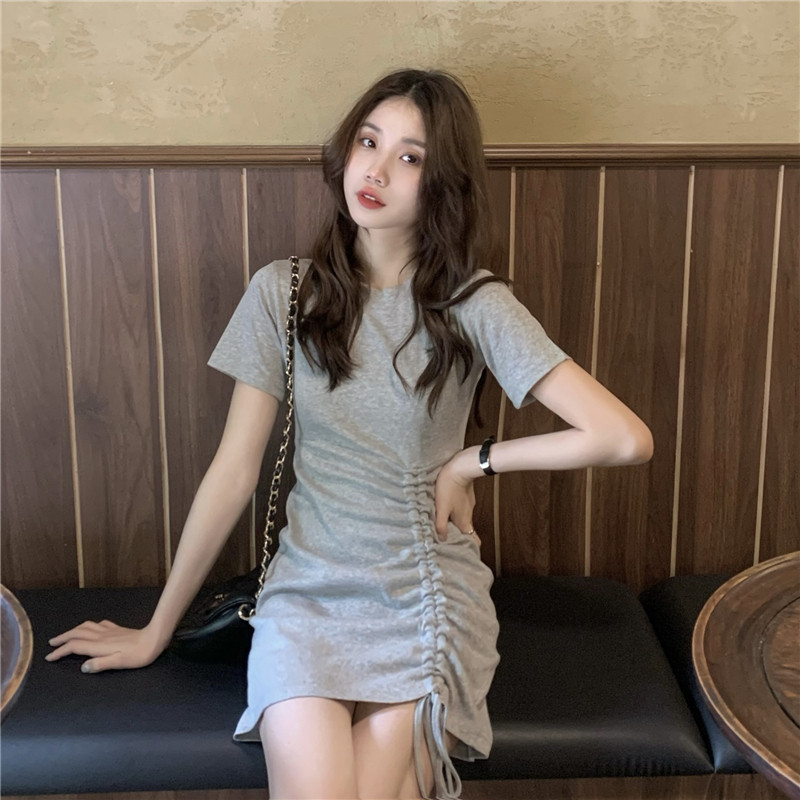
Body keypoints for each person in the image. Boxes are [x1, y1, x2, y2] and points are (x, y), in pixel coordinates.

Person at [46, 68, 654, 800]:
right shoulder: (283, 292)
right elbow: (233, 473)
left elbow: (622, 436)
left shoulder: (473, 302)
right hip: (307, 593)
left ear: (444, 183)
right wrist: (155, 630)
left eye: (410, 156)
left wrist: (472, 462)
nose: (377, 170)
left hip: (422, 591)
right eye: (369, 142)